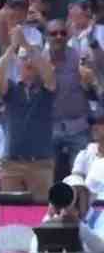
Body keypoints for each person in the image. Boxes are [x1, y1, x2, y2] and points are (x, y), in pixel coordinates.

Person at [0, 27, 57, 201]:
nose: (29, 61)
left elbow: (49, 75)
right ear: (18, 63)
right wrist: (11, 49)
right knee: (9, 215)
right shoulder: (12, 89)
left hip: (41, 163)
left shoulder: (47, 89)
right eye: (23, 59)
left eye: (32, 58)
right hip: (11, 163)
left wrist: (27, 46)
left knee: (41, 213)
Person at [14, 177, 104, 253]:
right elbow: (35, 251)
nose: (75, 201)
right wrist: (56, 218)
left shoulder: (96, 218)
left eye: (79, 196)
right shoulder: (49, 219)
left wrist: (77, 224)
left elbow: (100, 248)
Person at [46, 19, 93, 181]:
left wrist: (88, 78)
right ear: (46, 37)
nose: (59, 36)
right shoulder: (40, 60)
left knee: (80, 178)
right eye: (53, 33)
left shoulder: (78, 57)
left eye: (62, 33)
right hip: (49, 127)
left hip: (77, 126)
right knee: (48, 178)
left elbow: (91, 85)